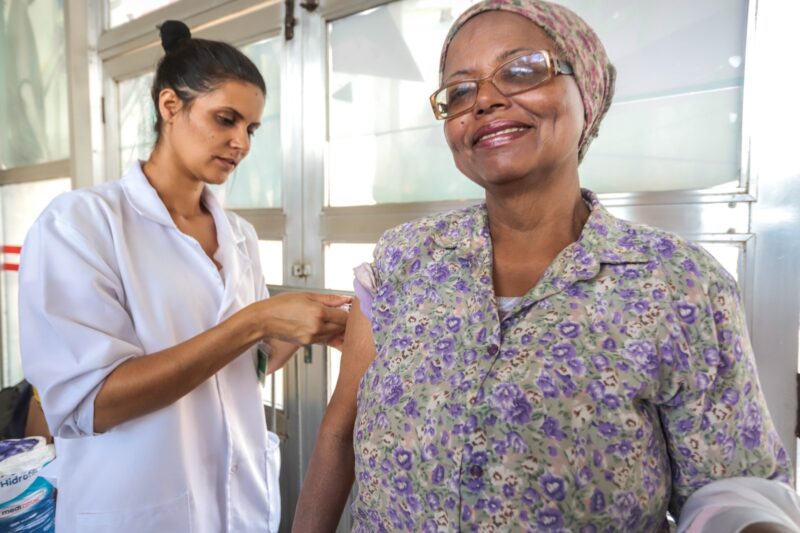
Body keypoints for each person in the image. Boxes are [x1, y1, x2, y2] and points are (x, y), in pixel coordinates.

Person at [293, 1, 799, 532]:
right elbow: (339, 433)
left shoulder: (679, 283)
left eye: (521, 70)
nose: (485, 99)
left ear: (588, 95)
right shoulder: (404, 260)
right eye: (460, 91)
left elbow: (730, 485)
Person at [19, 20, 349, 533]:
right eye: (226, 119)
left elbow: (245, 365)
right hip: (137, 509)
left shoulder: (238, 235)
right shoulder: (81, 224)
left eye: (251, 129)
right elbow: (93, 403)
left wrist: (304, 329)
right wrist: (256, 321)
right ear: (170, 106)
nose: (240, 143)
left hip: (239, 507)